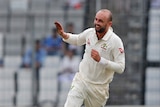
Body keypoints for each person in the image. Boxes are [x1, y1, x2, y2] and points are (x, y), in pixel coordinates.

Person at [54, 9, 125, 107]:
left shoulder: (115, 41)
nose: (96, 23)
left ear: (109, 24)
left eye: (100, 21)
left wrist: (101, 60)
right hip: (82, 80)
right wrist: (64, 35)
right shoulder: (90, 33)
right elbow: (77, 40)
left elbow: (121, 68)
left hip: (99, 88)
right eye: (96, 19)